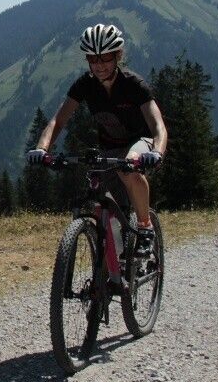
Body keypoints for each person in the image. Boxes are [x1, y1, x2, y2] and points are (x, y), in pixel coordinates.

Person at [27, 23, 168, 254]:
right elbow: (58, 121)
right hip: (109, 148)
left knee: (129, 169)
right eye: (93, 59)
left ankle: (145, 227)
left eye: (105, 58)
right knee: (108, 206)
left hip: (142, 142)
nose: (99, 65)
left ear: (117, 56)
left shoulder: (134, 84)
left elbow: (158, 126)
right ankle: (111, 263)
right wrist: (42, 149)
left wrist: (157, 152)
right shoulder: (85, 85)